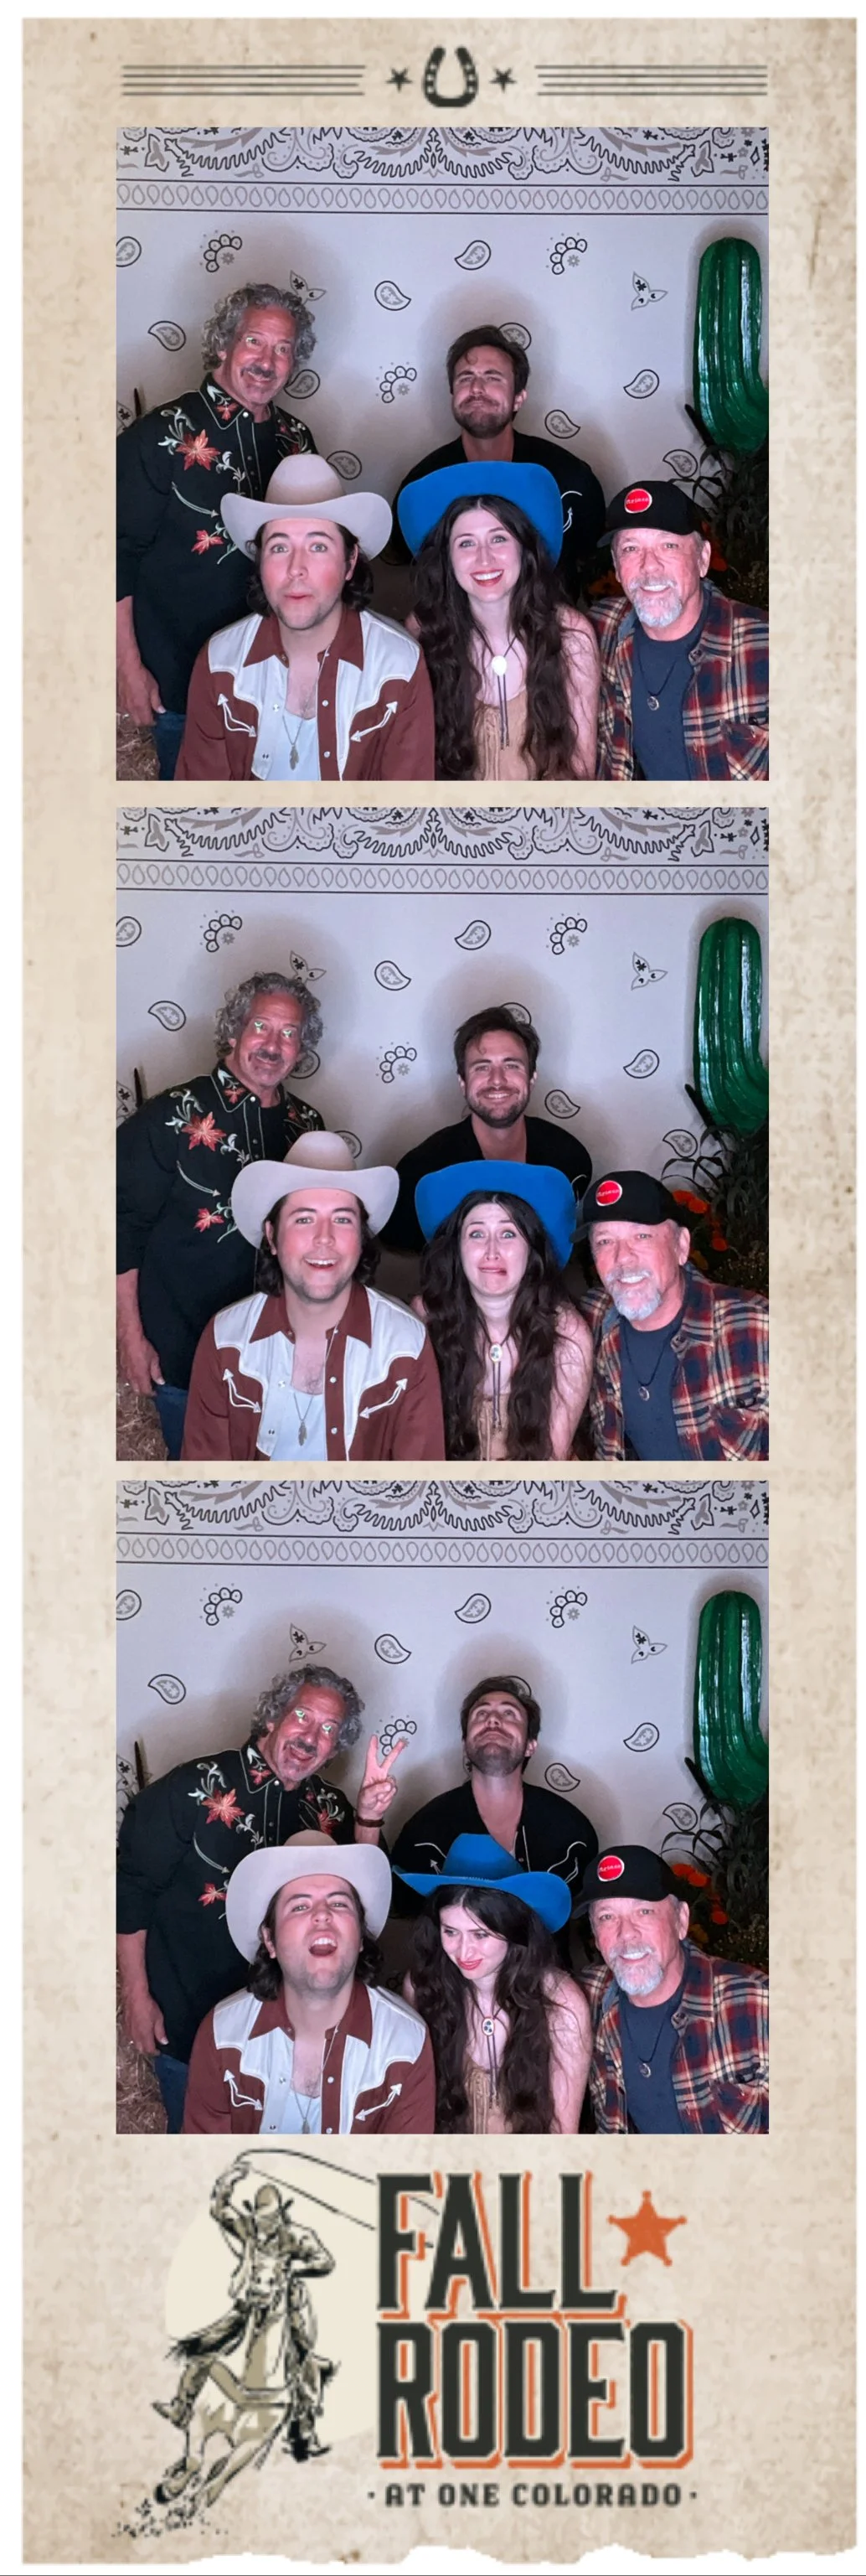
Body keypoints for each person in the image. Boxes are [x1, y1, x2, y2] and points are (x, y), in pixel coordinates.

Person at [116, 1663, 405, 2131]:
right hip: (190, 2023)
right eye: (303, 1717)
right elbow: (132, 1890)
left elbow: (366, 1897)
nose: (312, 1736)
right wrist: (135, 1994)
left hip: (296, 2040)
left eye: (329, 1728)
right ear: (273, 1718)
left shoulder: (331, 1809)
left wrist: (368, 1818)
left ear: (335, 1747)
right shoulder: (194, 1787)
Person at [116, 970, 325, 1459]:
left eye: (290, 1033)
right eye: (261, 1027)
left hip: (282, 1353)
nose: (274, 1045)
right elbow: (121, 1231)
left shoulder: (308, 1127)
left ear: (301, 1047)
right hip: (184, 1350)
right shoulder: (168, 1117)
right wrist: (131, 1336)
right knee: (198, 1484)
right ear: (234, 1032)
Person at [116, 282, 317, 778]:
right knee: (196, 824)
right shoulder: (158, 436)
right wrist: (127, 667)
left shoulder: (298, 440)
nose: (267, 361)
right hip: (180, 680)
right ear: (224, 344)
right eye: (254, 341)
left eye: (283, 348)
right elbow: (114, 557)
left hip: (279, 680)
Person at [181, 1131, 445, 1462]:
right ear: (272, 1236)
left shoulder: (406, 1343)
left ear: (362, 1238)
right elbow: (206, 1488)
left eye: (342, 1219)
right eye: (304, 1219)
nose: (325, 1238)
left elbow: (418, 1492)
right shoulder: (224, 1340)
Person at [175, 456, 435, 780]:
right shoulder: (219, 662)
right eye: (280, 548)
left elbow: (404, 815)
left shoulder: (399, 665)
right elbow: (200, 807)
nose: (296, 568)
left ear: (350, 562)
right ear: (260, 562)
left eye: (318, 547)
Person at [183, 1834, 436, 2135]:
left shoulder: (407, 2042)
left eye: (339, 1903)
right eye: (300, 1907)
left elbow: (400, 2176)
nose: (322, 1915)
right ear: (270, 1940)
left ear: (360, 1938)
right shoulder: (221, 2034)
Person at [397, 461, 599, 778]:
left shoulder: (571, 634)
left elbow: (581, 769)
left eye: (499, 538)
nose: (484, 558)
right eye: (466, 543)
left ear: (524, 548)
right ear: (447, 559)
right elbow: (414, 767)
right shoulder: (423, 631)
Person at [394, 1834, 592, 2134]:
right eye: (451, 1932)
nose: (463, 1952)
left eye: (480, 1935)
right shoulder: (422, 1987)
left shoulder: (560, 2000)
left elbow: (563, 2133)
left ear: (514, 1929)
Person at [393, 326, 606, 597]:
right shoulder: (421, 486)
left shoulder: (571, 478)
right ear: (452, 396)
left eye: (493, 378)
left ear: (519, 398)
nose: (477, 388)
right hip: (453, 633)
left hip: (550, 630)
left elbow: (587, 556)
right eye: (465, 378)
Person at [578, 1169, 769, 1461]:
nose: (622, 1258)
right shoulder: (588, 1321)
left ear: (681, 1246)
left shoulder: (757, 1328)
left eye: (641, 1235)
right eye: (605, 1241)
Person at [576, 1845, 769, 2133]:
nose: (626, 1933)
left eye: (644, 1911)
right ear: (595, 1935)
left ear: (681, 1921)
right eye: (607, 1917)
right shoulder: (583, 1997)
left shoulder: (757, 2003)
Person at [153, 2167, 336, 2468]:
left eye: (271, 2219)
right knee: (207, 2344)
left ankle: (303, 2428)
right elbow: (219, 2210)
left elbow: (325, 2261)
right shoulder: (247, 2228)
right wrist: (227, 2183)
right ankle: (182, 2406)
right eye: (261, 2219)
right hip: (249, 2300)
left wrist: (296, 2271)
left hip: (286, 2303)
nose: (265, 2226)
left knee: (302, 2352)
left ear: (280, 2215)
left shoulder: (297, 2236)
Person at [381, 1004, 592, 1259]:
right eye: (482, 1067)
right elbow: (401, 1250)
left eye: (511, 1065)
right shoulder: (422, 1170)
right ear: (462, 1082)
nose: (497, 1080)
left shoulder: (569, 1157)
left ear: (532, 1078)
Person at [590, 480, 769, 781]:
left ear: (703, 559)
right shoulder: (596, 630)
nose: (649, 566)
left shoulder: (769, 646)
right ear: (617, 568)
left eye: (668, 545)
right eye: (631, 549)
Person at [414, 1162, 591, 1460]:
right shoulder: (427, 1316)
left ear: (531, 1249)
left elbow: (551, 1461)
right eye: (477, 1234)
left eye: (508, 1234)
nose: (492, 1251)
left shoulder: (566, 1332)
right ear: (456, 1249)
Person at [389, 1674, 599, 1904]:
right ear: (465, 1745)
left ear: (530, 1746)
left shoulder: (573, 1832)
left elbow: (587, 1920)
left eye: (509, 1714)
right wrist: (369, 1820)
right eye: (481, 1714)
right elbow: (396, 1907)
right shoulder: (424, 1831)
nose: (493, 1720)